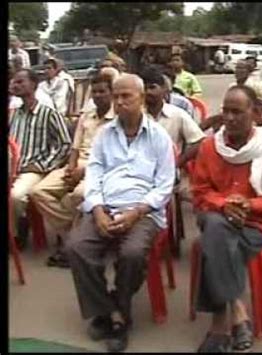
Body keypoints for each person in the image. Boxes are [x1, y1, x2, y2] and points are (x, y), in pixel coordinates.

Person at [65, 74, 175, 352]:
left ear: (141, 99)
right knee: (77, 247)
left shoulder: (159, 137)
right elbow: (95, 173)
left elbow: (164, 186)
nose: (120, 101)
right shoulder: (105, 135)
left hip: (143, 211)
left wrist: (136, 212)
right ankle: (107, 310)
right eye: (117, 96)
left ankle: (120, 313)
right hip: (107, 206)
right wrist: (98, 210)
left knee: (132, 253)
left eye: (127, 96)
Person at [191, 85, 262, 352]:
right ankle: (237, 312)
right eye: (225, 111)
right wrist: (225, 204)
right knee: (215, 225)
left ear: (256, 113)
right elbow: (200, 193)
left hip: (257, 225)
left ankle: (219, 324)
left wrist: (248, 205)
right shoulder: (209, 147)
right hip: (217, 215)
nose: (230, 118)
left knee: (212, 242)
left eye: (237, 111)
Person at [30, 74, 115, 268]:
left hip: (102, 169)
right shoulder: (87, 116)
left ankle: (73, 245)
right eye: (95, 92)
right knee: (38, 192)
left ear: (111, 93)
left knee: (79, 194)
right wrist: (70, 168)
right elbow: (75, 148)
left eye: (103, 91)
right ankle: (77, 236)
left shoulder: (118, 118)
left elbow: (112, 157)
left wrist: (83, 172)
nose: (98, 95)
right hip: (77, 163)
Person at [9, 69, 72, 249]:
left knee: (15, 196)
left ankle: (13, 237)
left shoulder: (49, 113)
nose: (15, 84)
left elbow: (64, 144)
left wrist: (42, 166)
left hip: (32, 169)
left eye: (21, 81)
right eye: (14, 81)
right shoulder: (13, 114)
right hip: (12, 166)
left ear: (34, 85)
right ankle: (19, 222)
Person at [140, 65, 206, 166]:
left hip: (170, 173)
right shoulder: (136, 115)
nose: (148, 92)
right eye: (144, 88)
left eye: (152, 87)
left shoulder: (177, 114)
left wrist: (178, 162)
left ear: (163, 89)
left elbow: (200, 141)